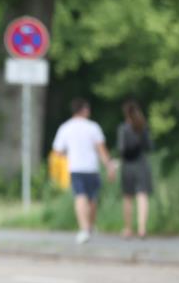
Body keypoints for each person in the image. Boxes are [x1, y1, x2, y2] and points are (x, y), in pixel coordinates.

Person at [51, 98, 116, 244]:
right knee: (92, 199)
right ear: (84, 110)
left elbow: (57, 151)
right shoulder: (93, 127)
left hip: (76, 168)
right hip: (91, 168)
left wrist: (69, 154)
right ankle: (88, 227)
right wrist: (109, 166)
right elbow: (102, 150)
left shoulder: (65, 128)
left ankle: (84, 229)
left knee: (80, 197)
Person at [117, 99, 154, 238]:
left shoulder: (123, 128)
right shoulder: (143, 127)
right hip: (141, 164)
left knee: (128, 197)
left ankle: (128, 229)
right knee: (142, 196)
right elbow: (150, 147)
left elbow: (122, 149)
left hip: (128, 165)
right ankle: (142, 229)